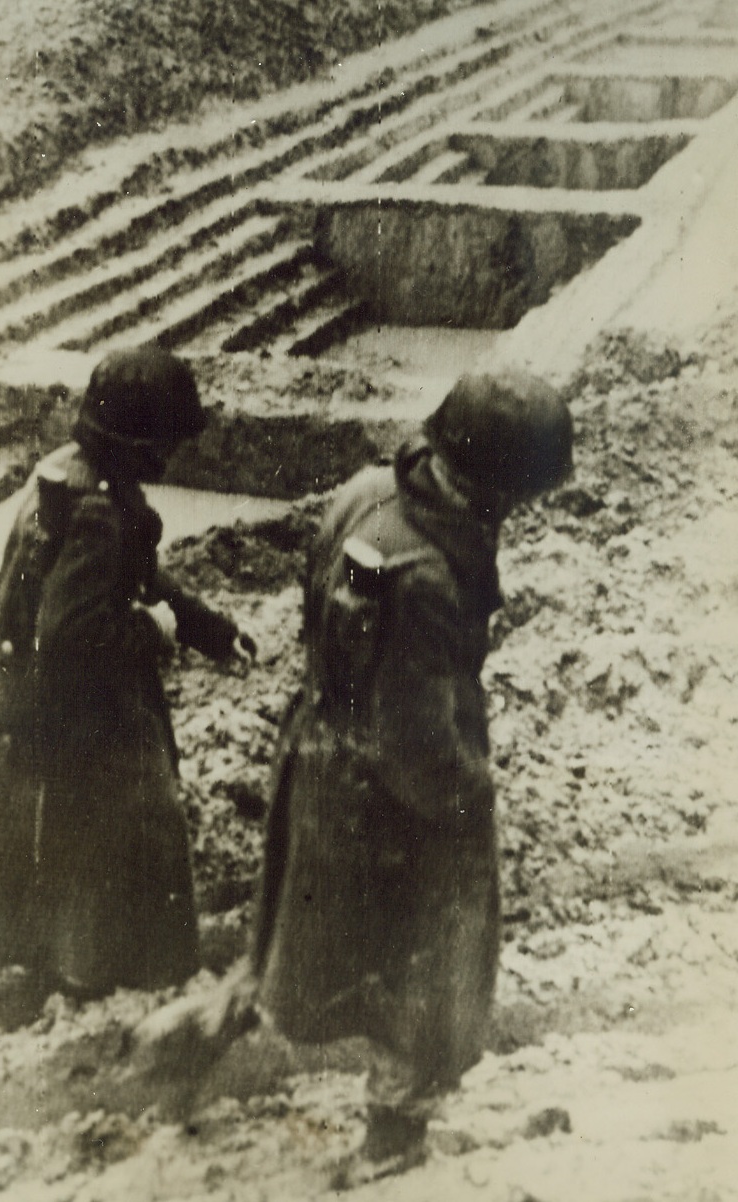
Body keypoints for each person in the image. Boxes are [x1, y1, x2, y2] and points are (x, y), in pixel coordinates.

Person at [248, 370, 574, 1165]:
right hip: (393, 797)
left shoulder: (368, 494)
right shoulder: (425, 576)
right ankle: (394, 1138)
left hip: (326, 756)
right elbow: (416, 742)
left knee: (349, 950)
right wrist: (471, 796)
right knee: (427, 969)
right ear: (497, 486)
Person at [0, 345, 255, 1005]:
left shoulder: (69, 476)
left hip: (17, 700)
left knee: (7, 853)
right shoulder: (97, 513)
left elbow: (134, 571)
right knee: (125, 834)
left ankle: (41, 961)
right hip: (64, 713)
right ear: (140, 443)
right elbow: (71, 635)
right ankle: (107, 975)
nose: (170, 455)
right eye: (164, 442)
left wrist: (207, 628)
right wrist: (155, 632)